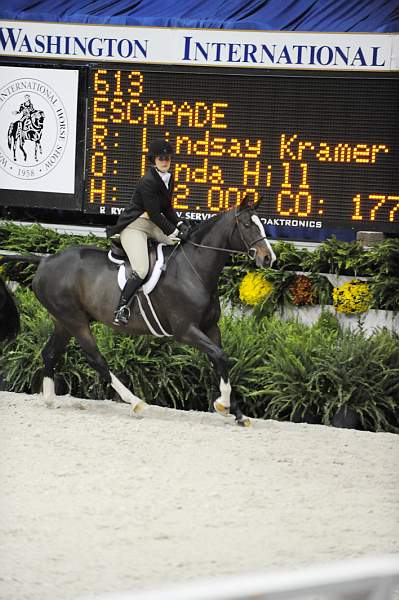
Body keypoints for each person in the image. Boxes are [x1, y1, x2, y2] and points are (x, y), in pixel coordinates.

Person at [106, 139, 191, 326]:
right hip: (134, 226)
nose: (165, 161)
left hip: (152, 225)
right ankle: (121, 308)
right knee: (142, 268)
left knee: (176, 243)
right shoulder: (148, 181)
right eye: (161, 158)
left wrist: (180, 223)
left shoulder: (169, 177)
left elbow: (167, 208)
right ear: (153, 160)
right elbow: (154, 214)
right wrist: (173, 228)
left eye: (167, 158)